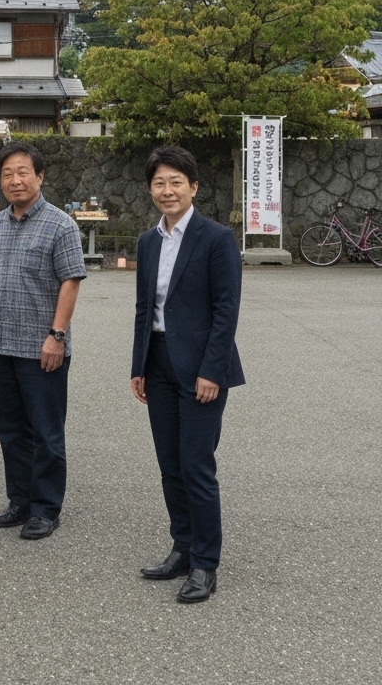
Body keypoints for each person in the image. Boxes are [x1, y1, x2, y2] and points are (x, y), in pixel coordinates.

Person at [131, 145, 244, 604]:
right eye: (159, 182)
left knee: (197, 467)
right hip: (157, 363)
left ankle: (205, 564)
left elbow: (226, 311)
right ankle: (182, 546)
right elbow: (145, 309)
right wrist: (137, 366)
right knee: (170, 467)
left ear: (194, 187)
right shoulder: (147, 241)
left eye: (176, 181)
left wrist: (211, 370)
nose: (167, 190)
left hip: (202, 370)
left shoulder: (216, 238)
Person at [0, 142, 86, 541]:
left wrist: (57, 336)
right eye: (7, 174)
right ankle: (19, 500)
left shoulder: (61, 224)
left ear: (40, 176)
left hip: (43, 347)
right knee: (10, 429)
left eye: (24, 172)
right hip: (2, 344)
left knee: (46, 431)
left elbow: (71, 280)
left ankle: (45, 508)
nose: (15, 180)